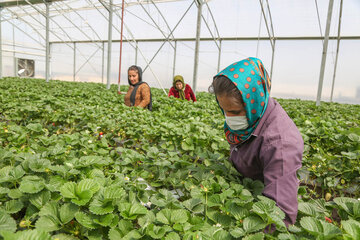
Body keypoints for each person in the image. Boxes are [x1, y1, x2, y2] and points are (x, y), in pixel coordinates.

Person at [209, 57, 303, 227]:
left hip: (261, 207)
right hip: (244, 194)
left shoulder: (280, 144)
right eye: (224, 110)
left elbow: (280, 216)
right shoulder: (252, 119)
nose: (229, 118)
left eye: (234, 111)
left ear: (254, 101)